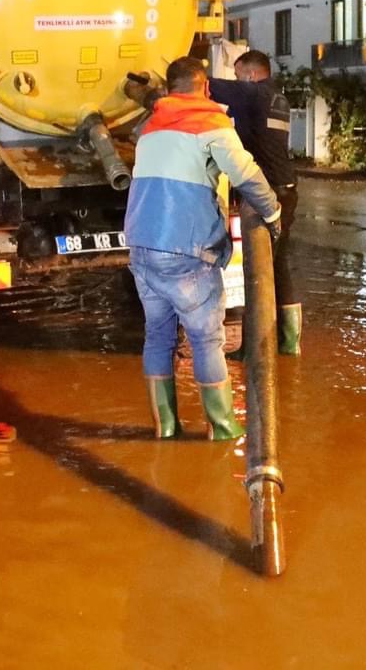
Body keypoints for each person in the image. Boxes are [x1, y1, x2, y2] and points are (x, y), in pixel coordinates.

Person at [124, 56, 282, 440]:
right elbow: (247, 174)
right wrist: (273, 213)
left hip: (142, 249)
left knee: (158, 336)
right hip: (186, 251)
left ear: (170, 88)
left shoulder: (149, 128)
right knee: (206, 339)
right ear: (205, 88)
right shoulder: (211, 124)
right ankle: (222, 426)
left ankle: (165, 427)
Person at [208, 50, 302, 355]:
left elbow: (201, 86)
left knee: (257, 270)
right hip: (287, 189)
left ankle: (254, 350)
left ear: (250, 74)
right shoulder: (278, 97)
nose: (236, 81)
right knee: (278, 267)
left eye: (238, 75)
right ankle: (289, 345)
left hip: (266, 194)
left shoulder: (252, 93)